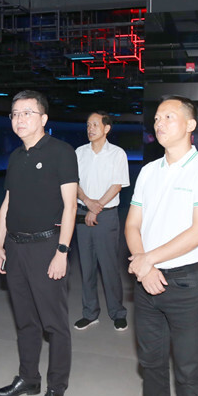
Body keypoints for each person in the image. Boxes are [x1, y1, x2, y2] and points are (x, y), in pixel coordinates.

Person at [124, 95, 198, 396]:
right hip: (147, 282)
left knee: (188, 370)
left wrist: (147, 260)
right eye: (156, 118)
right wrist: (146, 268)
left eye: (168, 117)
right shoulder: (148, 171)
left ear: (190, 125)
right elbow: (132, 225)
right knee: (151, 365)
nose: (159, 123)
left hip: (185, 283)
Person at [0, 90, 78, 396]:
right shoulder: (16, 157)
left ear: (43, 118)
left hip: (46, 246)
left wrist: (62, 251)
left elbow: (70, 206)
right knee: (25, 320)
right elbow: (8, 201)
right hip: (15, 247)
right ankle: (28, 378)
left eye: (27, 113)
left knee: (54, 324)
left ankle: (56, 387)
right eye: (15, 114)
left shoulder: (61, 152)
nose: (19, 119)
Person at [74, 111, 130, 332]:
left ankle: (118, 313)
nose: (90, 129)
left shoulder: (117, 153)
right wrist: (88, 202)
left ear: (107, 128)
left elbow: (117, 185)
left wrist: (96, 208)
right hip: (82, 214)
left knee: (108, 267)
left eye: (95, 125)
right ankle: (90, 313)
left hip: (106, 216)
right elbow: (74, 182)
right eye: (88, 125)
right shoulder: (79, 152)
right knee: (86, 266)